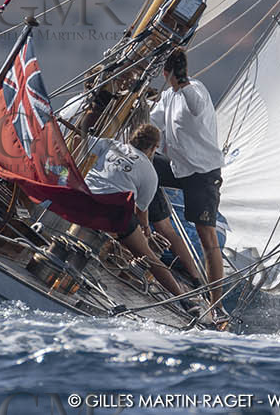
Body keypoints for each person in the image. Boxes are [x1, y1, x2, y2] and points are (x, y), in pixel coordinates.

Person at [149, 48, 226, 309]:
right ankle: (150, 225)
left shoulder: (196, 91)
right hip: (177, 167)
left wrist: (182, 81)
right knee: (142, 164)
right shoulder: (168, 96)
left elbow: (194, 103)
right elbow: (151, 122)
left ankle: (218, 307)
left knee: (208, 238)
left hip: (202, 174)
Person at [84, 123, 186, 299]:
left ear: (133, 137)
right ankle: (184, 299)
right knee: (147, 254)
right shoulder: (150, 173)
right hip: (113, 212)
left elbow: (80, 139)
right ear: (154, 148)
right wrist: (146, 230)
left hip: (83, 198)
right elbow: (141, 210)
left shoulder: (111, 144)